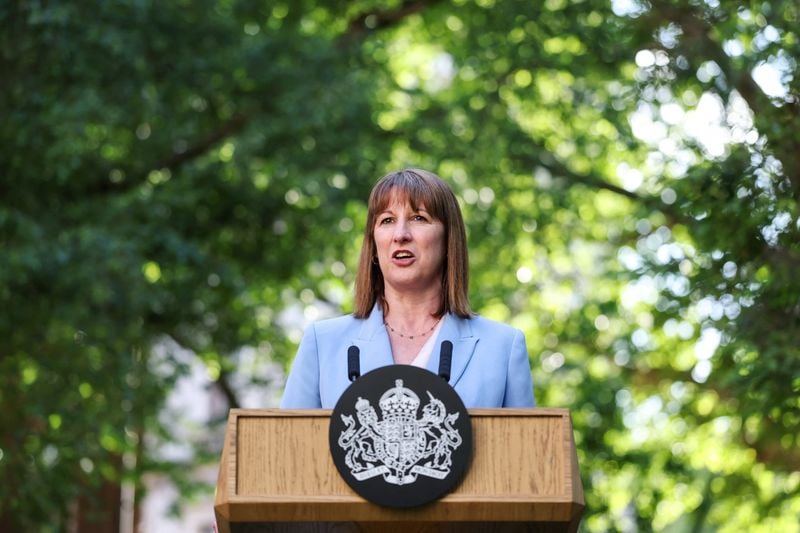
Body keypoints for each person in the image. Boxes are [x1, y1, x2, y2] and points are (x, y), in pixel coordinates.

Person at [280, 168, 534, 408]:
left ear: (449, 240)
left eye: (418, 218)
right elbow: (287, 439)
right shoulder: (322, 344)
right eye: (387, 220)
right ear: (374, 246)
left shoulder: (503, 348)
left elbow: (526, 441)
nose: (400, 234)